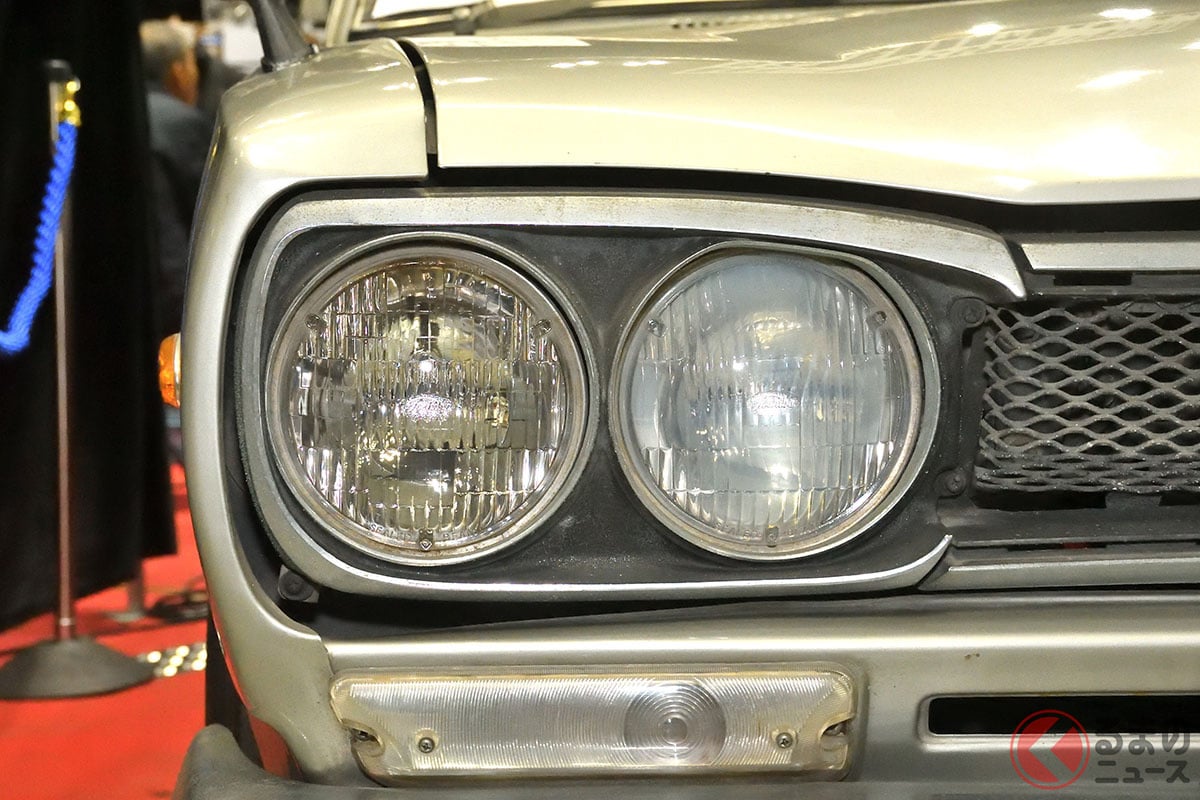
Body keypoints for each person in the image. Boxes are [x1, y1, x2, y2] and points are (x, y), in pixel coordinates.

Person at [140, 18, 213, 338]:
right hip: (178, 300)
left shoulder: (105, 119)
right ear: (179, 70)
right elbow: (209, 213)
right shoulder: (183, 124)